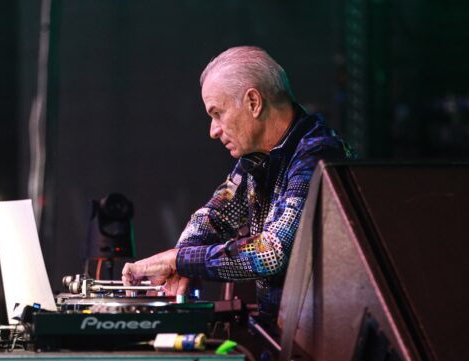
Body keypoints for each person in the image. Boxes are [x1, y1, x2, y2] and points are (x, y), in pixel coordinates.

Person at [122, 46, 354, 319]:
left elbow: (271, 252)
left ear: (254, 102)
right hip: (285, 338)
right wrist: (181, 262)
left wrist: (178, 260)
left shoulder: (317, 154)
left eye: (217, 113)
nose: (213, 130)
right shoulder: (258, 158)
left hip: (321, 349)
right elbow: (212, 217)